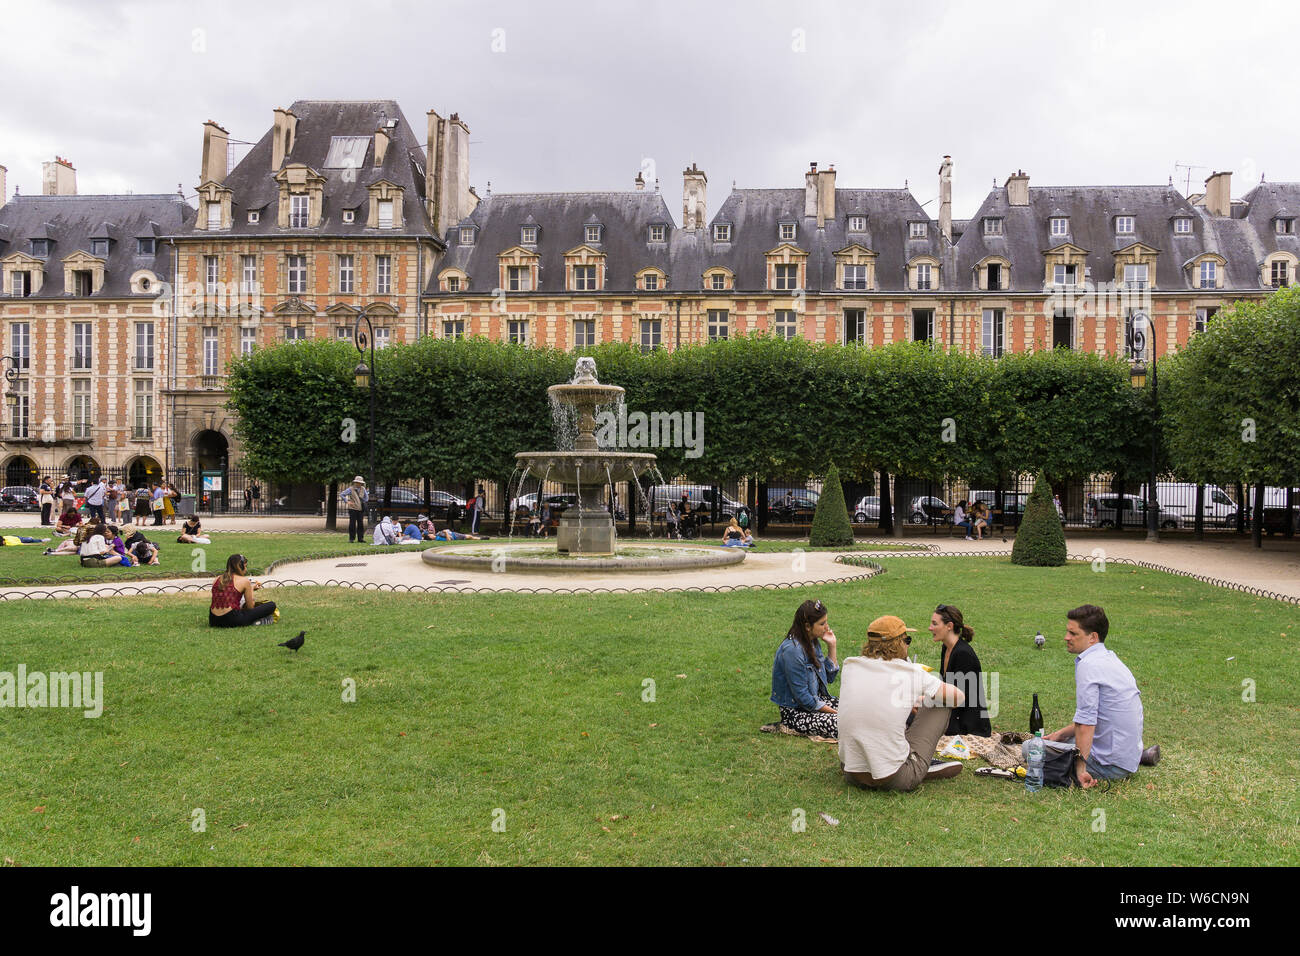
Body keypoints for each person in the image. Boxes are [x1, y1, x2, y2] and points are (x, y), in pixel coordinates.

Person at [1028, 604, 1158, 788]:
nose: (1066, 638)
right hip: (1126, 756)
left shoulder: (1088, 666)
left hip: (1110, 765)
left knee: (1029, 749)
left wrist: (1081, 770)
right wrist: (1059, 735)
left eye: (1073, 634)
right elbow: (1096, 717)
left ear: (1092, 637)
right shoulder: (1109, 658)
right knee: (1062, 740)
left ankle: (1090, 766)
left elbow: (1087, 723)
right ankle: (1140, 757)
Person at [838, 615, 967, 790]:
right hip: (893, 778)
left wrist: (912, 699)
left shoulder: (850, 666)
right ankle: (920, 765)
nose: (908, 644)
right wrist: (926, 699)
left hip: (851, 773)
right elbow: (958, 697)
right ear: (899, 643)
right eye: (907, 640)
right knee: (942, 702)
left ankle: (898, 758)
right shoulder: (911, 672)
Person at [769, 599, 840, 738]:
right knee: (845, 723)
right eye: (822, 623)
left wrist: (832, 646)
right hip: (796, 713)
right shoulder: (792, 651)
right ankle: (786, 727)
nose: (827, 627)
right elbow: (803, 698)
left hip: (817, 701)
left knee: (855, 709)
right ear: (807, 626)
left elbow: (829, 678)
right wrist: (836, 713)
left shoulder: (813, 641)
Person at [929, 604, 991, 736]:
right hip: (952, 712)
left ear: (949, 626)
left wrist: (929, 696)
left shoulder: (963, 654)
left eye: (934, 624)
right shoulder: (946, 648)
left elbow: (959, 700)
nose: (930, 628)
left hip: (966, 725)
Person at [209, 553, 277, 627]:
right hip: (232, 620)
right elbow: (250, 607)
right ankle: (260, 621)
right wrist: (250, 589)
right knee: (271, 605)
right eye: (245, 566)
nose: (246, 569)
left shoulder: (217, 579)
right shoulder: (244, 581)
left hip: (213, 621)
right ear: (240, 566)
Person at [343, 476, 367, 544]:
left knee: (360, 524)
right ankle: (351, 539)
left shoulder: (363, 489)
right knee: (352, 524)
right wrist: (347, 501)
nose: (359, 484)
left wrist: (362, 502)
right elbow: (342, 494)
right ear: (355, 482)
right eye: (357, 482)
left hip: (360, 509)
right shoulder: (350, 489)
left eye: (360, 483)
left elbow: (366, 498)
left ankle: (360, 538)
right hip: (352, 509)